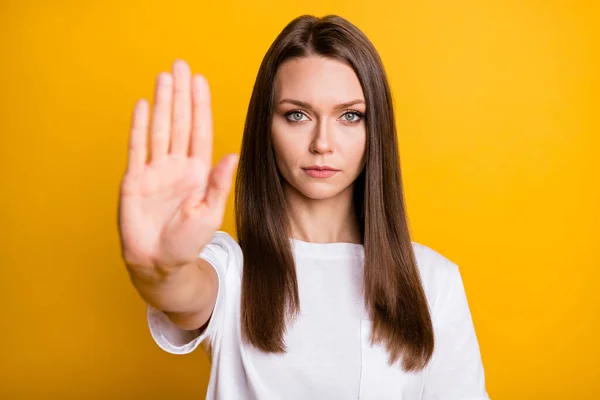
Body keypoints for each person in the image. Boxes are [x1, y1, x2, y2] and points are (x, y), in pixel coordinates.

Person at [118, 14, 490, 400]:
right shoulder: (231, 269)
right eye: (297, 115)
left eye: (350, 115)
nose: (322, 143)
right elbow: (181, 291)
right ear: (267, 126)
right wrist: (159, 269)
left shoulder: (433, 280)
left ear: (374, 128)